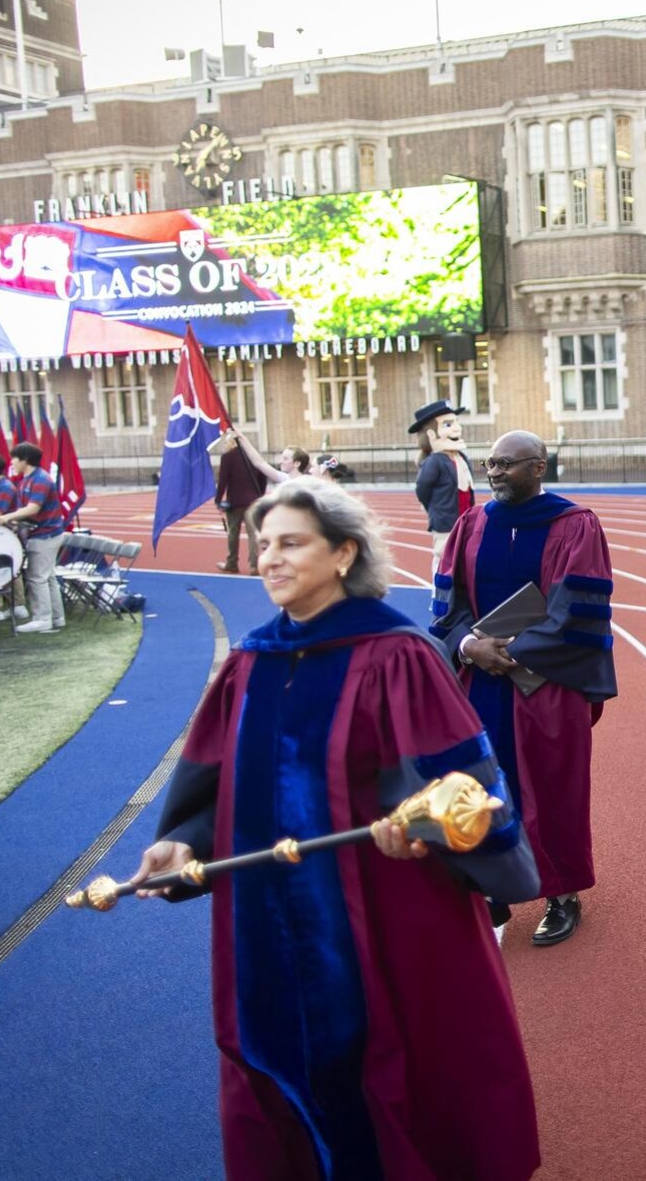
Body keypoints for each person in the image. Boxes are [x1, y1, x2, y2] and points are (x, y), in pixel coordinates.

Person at [131, 478, 540, 1179]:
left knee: (401, 1068)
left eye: (291, 543)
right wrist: (185, 843)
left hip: (383, 914)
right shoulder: (251, 664)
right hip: (263, 918)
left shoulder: (396, 655)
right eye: (264, 545)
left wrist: (427, 832)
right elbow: (216, 785)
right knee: (270, 1061)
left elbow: (467, 789)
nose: (270, 559)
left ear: (345, 553)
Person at [431, 429, 617, 945]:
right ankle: (491, 889)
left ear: (539, 468)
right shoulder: (472, 523)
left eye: (507, 465)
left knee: (553, 787)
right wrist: (470, 646)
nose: (494, 473)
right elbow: (448, 602)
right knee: (482, 786)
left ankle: (561, 893)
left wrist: (512, 652)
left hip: (548, 685)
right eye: (490, 464)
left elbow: (577, 612)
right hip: (480, 683)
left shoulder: (575, 526)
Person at [0, 442, 66, 633]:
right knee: (47, 578)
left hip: (45, 534)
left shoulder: (39, 479)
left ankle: (43, 618)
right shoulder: (27, 479)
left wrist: (6, 518)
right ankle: (57, 617)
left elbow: (33, 508)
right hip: (42, 533)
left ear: (24, 459)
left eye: (15, 458)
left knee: (37, 578)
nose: (12, 462)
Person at [413, 400, 476, 559]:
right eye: (448, 425)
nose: (457, 428)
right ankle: (441, 583)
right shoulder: (435, 462)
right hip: (446, 523)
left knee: (464, 555)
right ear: (431, 434)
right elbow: (423, 490)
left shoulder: (461, 457)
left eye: (457, 422)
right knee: (444, 557)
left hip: (465, 520)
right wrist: (437, 510)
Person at [212, 432, 268, 574]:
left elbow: (223, 480)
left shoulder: (227, 457)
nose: (225, 445)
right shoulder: (253, 455)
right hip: (253, 500)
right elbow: (263, 477)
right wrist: (259, 494)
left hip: (235, 502)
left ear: (232, 442)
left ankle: (232, 563)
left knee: (233, 533)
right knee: (253, 534)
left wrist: (218, 500)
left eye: (227, 442)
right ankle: (254, 566)